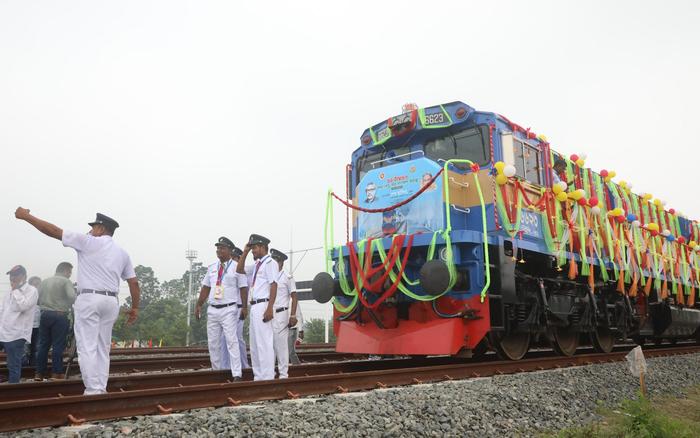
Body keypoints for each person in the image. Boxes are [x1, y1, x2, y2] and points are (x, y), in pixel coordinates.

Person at [14, 208, 140, 395]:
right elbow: (134, 283)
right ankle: (100, 388)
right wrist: (135, 308)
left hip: (89, 299)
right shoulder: (122, 253)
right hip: (111, 301)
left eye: (93, 226)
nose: (90, 230)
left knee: (87, 347)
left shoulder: (88, 242)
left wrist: (27, 217)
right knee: (102, 348)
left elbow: (54, 232)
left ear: (101, 229)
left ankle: (93, 391)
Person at [195, 237, 248, 380]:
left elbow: (243, 288)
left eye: (222, 248)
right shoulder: (212, 267)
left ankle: (237, 373)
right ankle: (216, 371)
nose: (219, 250)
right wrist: (199, 304)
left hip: (229, 309)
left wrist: (244, 307)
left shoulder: (237, 267)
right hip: (212, 309)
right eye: (218, 248)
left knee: (232, 341)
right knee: (213, 343)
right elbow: (206, 287)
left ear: (230, 251)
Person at [236, 234, 278, 381]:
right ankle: (258, 376)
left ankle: (268, 376)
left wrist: (270, 308)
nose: (253, 250)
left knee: (264, 343)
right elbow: (239, 269)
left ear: (262, 247)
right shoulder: (257, 265)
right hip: (254, 306)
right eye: (252, 248)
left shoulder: (270, 263)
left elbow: (273, 284)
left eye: (254, 248)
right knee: (254, 344)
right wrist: (245, 251)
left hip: (263, 305)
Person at [35, 262, 76, 381]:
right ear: (65, 270)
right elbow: (72, 297)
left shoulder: (44, 281)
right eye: (69, 272)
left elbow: (37, 299)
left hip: (44, 314)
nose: (70, 275)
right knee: (58, 345)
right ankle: (56, 373)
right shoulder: (65, 281)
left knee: (43, 345)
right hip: (60, 315)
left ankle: (39, 373)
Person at [0, 265, 38, 383]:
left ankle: (12, 390)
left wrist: (16, 290)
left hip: (16, 334)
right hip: (3, 332)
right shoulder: (9, 292)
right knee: (11, 364)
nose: (12, 278)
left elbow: (23, 306)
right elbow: (2, 310)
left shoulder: (31, 290)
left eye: (16, 275)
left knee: (13, 365)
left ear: (24, 276)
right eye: (11, 275)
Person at [269, 248, 297, 379]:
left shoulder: (287, 277)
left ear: (281, 262)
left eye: (275, 261)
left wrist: (293, 315)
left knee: (281, 346)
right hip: (269, 313)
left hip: (281, 313)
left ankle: (283, 374)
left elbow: (294, 297)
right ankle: (271, 373)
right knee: (270, 345)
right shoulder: (268, 275)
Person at [25, 276, 42, 367]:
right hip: (26, 326)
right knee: (25, 349)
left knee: (36, 348)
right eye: (35, 284)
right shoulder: (25, 295)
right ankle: (23, 367)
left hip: (38, 326)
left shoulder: (42, 296)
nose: (37, 286)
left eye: (38, 284)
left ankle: (33, 367)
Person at [288, 301, 304, 365]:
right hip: (280, 329)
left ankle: (297, 366)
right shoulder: (278, 299)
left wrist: (301, 331)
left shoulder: (292, 301)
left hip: (291, 329)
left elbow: (299, 315)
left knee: (290, 351)